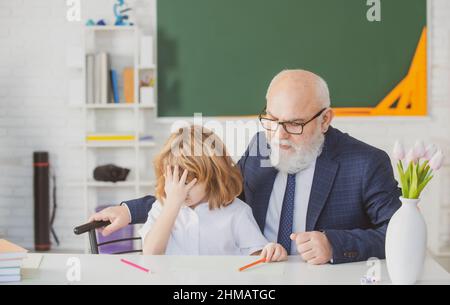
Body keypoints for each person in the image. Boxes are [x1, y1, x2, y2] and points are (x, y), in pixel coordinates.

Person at [90, 69, 401, 264]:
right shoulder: (260, 146)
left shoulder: (365, 163)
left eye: (293, 124)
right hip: (257, 277)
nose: (278, 137)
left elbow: (399, 235)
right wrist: (130, 210)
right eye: (272, 121)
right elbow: (213, 188)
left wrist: (335, 245)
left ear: (324, 119)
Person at [139, 125, 287, 262]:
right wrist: (172, 204)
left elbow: (257, 256)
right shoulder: (162, 207)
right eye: (173, 181)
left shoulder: (237, 212)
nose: (179, 190)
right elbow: (151, 255)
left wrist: (271, 252)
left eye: (187, 183)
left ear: (212, 177)